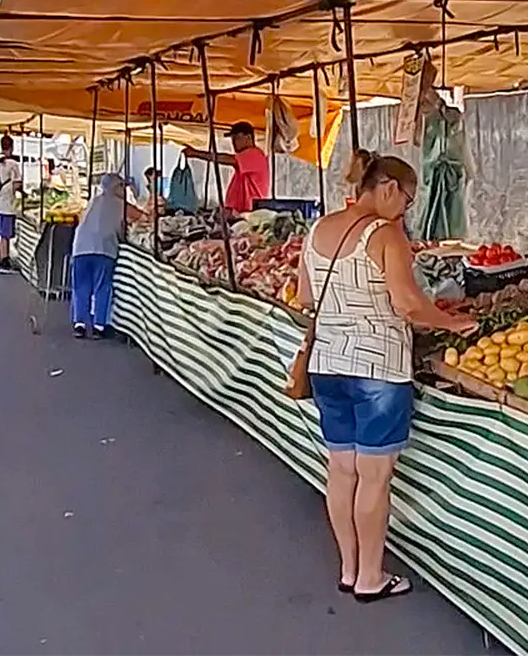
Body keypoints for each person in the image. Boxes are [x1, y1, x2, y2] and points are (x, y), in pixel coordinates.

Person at [298, 149, 476, 602]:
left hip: (327, 367)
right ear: (389, 188)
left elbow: (303, 295)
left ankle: (349, 568)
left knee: (340, 470)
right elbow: (408, 304)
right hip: (377, 370)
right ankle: (372, 577)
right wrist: (451, 322)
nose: (407, 212)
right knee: (374, 477)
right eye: (409, 201)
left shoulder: (318, 228)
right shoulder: (384, 233)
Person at [70, 173, 146, 338]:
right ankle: (99, 326)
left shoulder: (93, 201)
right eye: (121, 186)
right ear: (114, 187)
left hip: (81, 247)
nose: (123, 190)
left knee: (81, 286)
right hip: (104, 248)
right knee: (102, 287)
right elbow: (143, 217)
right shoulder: (121, 204)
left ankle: (79, 324)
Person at [182, 121, 268, 214]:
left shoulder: (254, 154)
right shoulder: (246, 157)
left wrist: (196, 153)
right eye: (232, 139)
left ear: (248, 137)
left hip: (249, 212)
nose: (233, 143)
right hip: (239, 212)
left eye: (237, 138)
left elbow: (227, 159)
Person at [0, 134, 23, 273]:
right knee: (5, 235)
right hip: (6, 204)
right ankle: (4, 261)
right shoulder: (12, 164)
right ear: (11, 147)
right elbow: (17, 184)